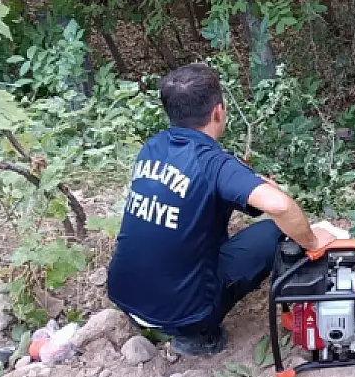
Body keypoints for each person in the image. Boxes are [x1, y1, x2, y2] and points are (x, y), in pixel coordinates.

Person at [106, 63, 337, 356]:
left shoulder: (153, 147)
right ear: (218, 111)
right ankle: (199, 337)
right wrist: (313, 242)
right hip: (185, 315)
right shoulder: (213, 163)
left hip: (125, 296)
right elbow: (279, 205)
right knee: (272, 229)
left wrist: (245, 177)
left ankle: (152, 319)